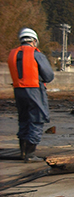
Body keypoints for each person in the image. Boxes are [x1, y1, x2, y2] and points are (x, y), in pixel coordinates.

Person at [7, 28, 55, 161]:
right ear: (34, 41)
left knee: (24, 119)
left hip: (18, 91)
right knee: (37, 119)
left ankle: (23, 151)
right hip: (34, 90)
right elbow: (48, 75)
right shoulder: (36, 54)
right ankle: (30, 154)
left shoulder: (13, 54)